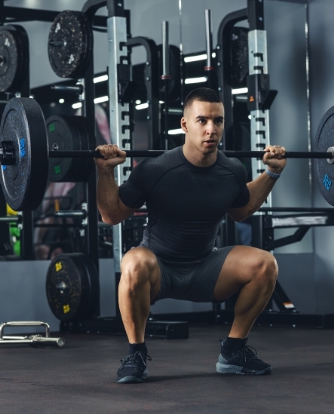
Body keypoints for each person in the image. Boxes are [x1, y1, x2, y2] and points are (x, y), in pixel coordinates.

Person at [95, 87, 286, 383]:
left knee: (265, 264)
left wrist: (271, 174)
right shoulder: (155, 169)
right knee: (133, 262)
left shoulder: (232, 170)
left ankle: (233, 351)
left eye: (218, 121)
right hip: (159, 269)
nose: (211, 129)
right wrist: (105, 172)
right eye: (202, 121)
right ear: (184, 125)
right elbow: (112, 216)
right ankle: (136, 353)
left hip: (205, 268)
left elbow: (241, 210)